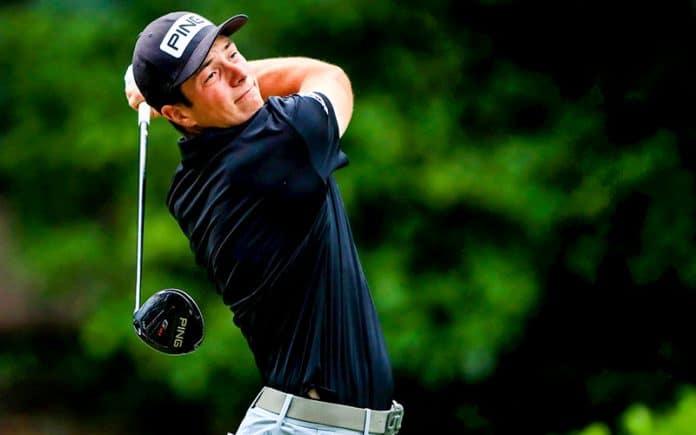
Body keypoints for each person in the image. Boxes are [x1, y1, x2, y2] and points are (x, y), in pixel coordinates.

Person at [125, 11, 404, 435]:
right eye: (211, 76)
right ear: (178, 115)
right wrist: (155, 94)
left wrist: (184, 87)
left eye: (233, 53)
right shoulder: (282, 142)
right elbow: (325, 75)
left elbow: (234, 93)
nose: (239, 73)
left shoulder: (188, 188)